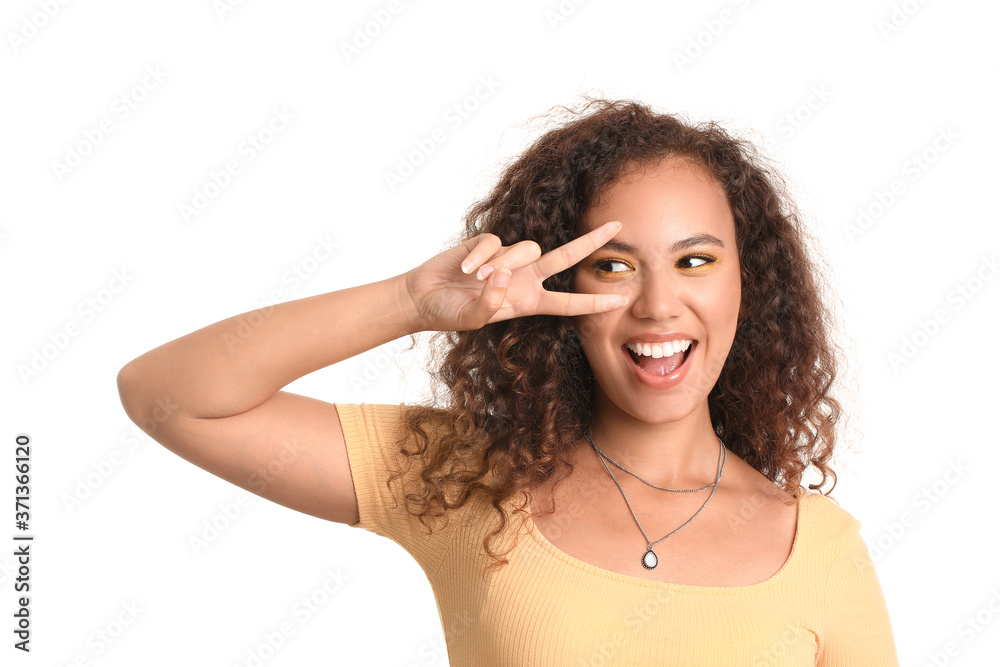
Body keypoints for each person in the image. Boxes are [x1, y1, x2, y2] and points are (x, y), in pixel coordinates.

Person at [117, 97, 900, 665]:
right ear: (561, 290)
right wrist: (408, 302)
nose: (660, 304)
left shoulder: (820, 550)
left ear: (747, 286)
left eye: (695, 260)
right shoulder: (468, 480)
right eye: (614, 266)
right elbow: (167, 396)